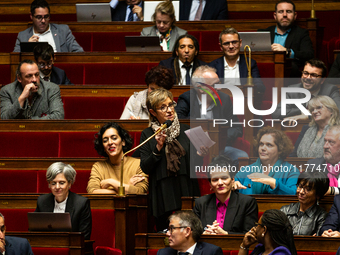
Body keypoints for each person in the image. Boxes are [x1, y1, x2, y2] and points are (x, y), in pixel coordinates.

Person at [140, 88, 204, 231]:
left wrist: (200, 155)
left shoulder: (189, 130)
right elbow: (145, 167)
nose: (169, 110)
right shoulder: (148, 134)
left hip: (186, 188)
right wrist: (158, 148)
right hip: (162, 192)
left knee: (189, 231)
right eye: (163, 107)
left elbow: (196, 166)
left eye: (170, 104)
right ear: (153, 113)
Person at [175, 65, 246, 167]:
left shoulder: (224, 99)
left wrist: (218, 138)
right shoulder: (187, 98)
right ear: (201, 89)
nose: (220, 88)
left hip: (220, 147)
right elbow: (178, 121)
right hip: (193, 149)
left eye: (219, 83)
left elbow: (236, 127)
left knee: (241, 156)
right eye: (214, 85)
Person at [193, 155, 258, 235]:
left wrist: (226, 234)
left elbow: (250, 235)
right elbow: (193, 233)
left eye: (224, 178)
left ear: (232, 180)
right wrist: (204, 235)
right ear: (210, 184)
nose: (220, 183)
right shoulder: (201, 203)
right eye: (215, 180)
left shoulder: (247, 203)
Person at [234, 127, 299, 195]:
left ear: (280, 149)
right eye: (261, 144)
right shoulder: (246, 170)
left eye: (269, 145)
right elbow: (232, 185)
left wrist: (272, 182)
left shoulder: (291, 171)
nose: (263, 148)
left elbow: (294, 194)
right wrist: (233, 186)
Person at [87, 122, 148, 194]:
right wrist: (125, 188)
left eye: (114, 138)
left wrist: (111, 182)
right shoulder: (98, 167)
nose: (110, 142)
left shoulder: (138, 164)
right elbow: (92, 191)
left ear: (123, 142)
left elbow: (140, 191)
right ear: (103, 147)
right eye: (105, 140)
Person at [35, 162, 92, 240]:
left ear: (69, 183)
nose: (57, 187)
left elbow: (84, 237)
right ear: (49, 184)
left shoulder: (81, 203)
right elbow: (35, 231)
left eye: (61, 183)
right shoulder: (42, 201)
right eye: (53, 183)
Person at [272, 59, 340, 123]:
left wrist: (309, 116)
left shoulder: (330, 90)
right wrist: (304, 111)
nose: (308, 78)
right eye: (305, 73)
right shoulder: (292, 90)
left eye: (314, 75)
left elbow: (338, 112)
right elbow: (276, 113)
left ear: (322, 80)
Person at [258, 0, 314, 78]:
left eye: (288, 11)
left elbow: (309, 54)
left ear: (295, 15)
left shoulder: (301, 33)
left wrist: (288, 52)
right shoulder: (263, 34)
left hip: (290, 76)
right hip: (264, 74)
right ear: (275, 15)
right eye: (281, 12)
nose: (284, 15)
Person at [0, 59, 64, 119]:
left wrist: (30, 122)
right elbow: (4, 118)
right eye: (29, 76)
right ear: (19, 78)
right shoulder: (7, 91)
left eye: (36, 75)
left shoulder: (51, 89)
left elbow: (59, 116)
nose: (34, 79)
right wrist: (22, 98)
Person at [208, 27, 265, 93]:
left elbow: (260, 86)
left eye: (234, 42)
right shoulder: (213, 65)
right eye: (226, 43)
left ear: (240, 43)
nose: (231, 46)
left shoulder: (250, 63)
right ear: (221, 46)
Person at [13, 0, 83, 52]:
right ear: (31, 16)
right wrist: (28, 48)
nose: (43, 21)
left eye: (46, 16)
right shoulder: (23, 36)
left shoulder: (63, 31)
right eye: (39, 17)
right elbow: (16, 60)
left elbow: (79, 52)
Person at [280, 171, 329, 235]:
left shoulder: (321, 216)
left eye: (308, 189)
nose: (301, 192)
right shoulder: (285, 210)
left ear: (318, 194)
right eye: (300, 186)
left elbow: (317, 241)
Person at [158, 210, 223, 255]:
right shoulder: (163, 253)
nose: (167, 234)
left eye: (172, 229)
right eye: (168, 230)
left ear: (187, 231)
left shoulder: (211, 252)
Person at [306, 125, 340, 195]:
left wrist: (333, 190)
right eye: (325, 141)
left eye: (331, 142)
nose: (325, 146)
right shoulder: (313, 165)